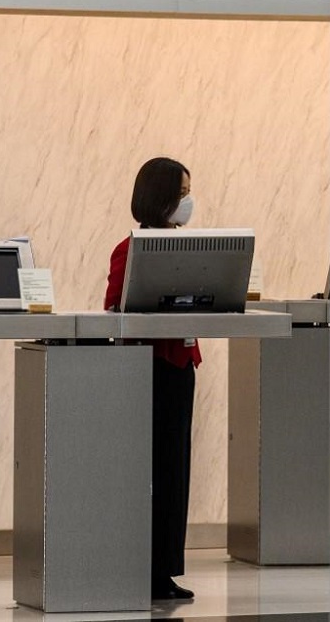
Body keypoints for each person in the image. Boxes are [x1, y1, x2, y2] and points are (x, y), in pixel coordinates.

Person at [104, 157, 200, 601]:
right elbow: (114, 309)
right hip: (147, 368)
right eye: (181, 194)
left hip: (180, 366)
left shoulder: (192, 247)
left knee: (174, 471)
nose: (187, 202)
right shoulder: (129, 249)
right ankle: (142, 569)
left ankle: (164, 569)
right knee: (149, 472)